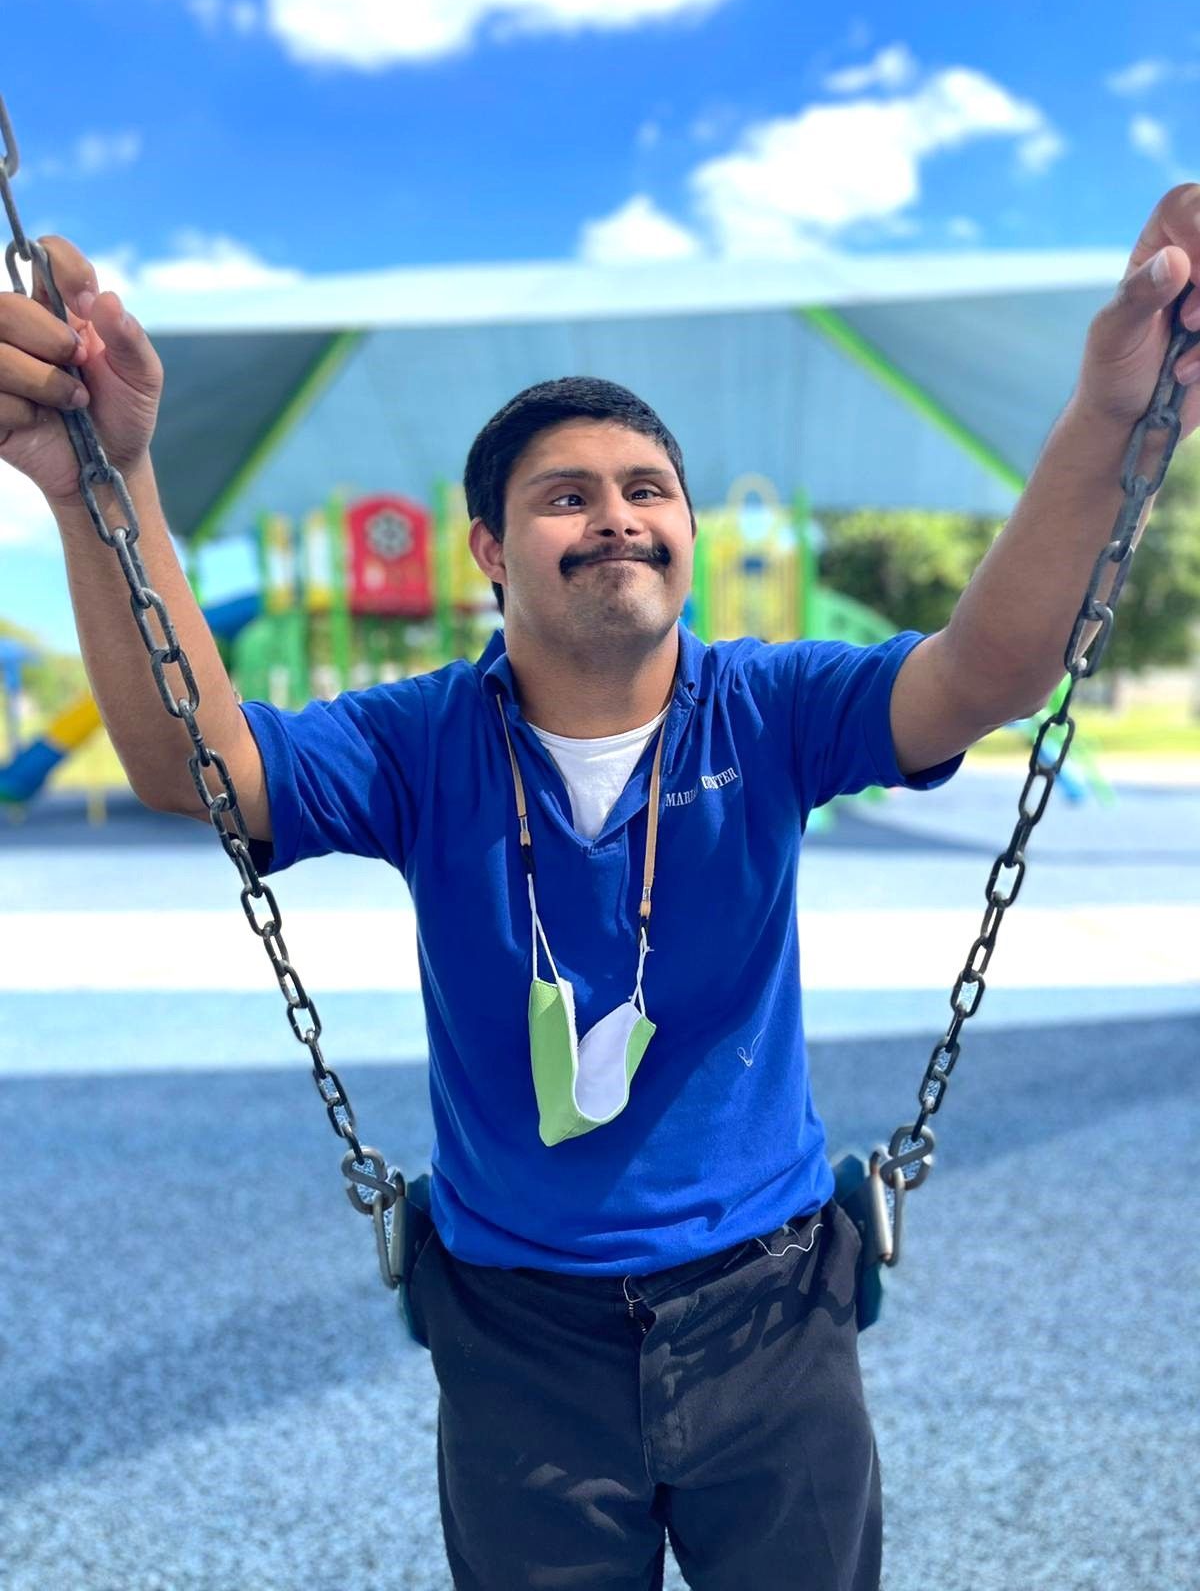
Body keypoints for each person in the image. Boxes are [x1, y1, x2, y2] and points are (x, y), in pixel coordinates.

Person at [2, 191, 1197, 1590]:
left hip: (773, 1305)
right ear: (492, 555)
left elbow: (987, 668)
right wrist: (105, 481)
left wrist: (1118, 416)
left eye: (647, 491)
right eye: (566, 496)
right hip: (518, 1331)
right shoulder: (420, 740)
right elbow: (196, 766)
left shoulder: (770, 708)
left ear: (686, 532)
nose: (617, 519)